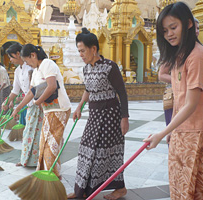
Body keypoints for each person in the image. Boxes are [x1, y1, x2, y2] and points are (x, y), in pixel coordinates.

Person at [143, 2, 203, 199]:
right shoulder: (180, 55)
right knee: (180, 187)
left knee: (198, 189)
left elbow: (191, 103)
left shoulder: (197, 55)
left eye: (174, 27)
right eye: (165, 30)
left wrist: (161, 132)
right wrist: (172, 131)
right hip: (183, 132)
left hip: (198, 134)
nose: (169, 34)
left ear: (189, 24)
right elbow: (179, 97)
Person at [67, 28, 129, 200]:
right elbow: (88, 89)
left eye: (82, 50)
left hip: (111, 116)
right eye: (78, 51)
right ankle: (82, 190)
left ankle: (119, 188)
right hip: (94, 115)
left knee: (108, 153)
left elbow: (122, 92)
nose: (80, 54)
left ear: (93, 49)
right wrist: (79, 106)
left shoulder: (110, 67)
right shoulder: (86, 69)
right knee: (86, 150)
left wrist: (125, 118)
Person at [11, 44, 71, 178]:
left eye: (26, 60)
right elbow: (31, 93)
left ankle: (52, 175)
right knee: (43, 143)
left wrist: (37, 102)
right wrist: (18, 108)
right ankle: (47, 172)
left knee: (51, 144)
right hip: (48, 110)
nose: (27, 63)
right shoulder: (36, 71)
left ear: (33, 55)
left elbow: (51, 86)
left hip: (59, 108)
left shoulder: (47, 64)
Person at [4, 43, 43, 167]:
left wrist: (19, 106)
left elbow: (35, 89)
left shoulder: (31, 66)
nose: (10, 60)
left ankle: (36, 160)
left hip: (37, 102)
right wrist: (7, 101)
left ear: (17, 54)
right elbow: (15, 90)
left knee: (36, 133)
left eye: (11, 56)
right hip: (28, 103)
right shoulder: (17, 71)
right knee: (27, 133)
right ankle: (26, 159)